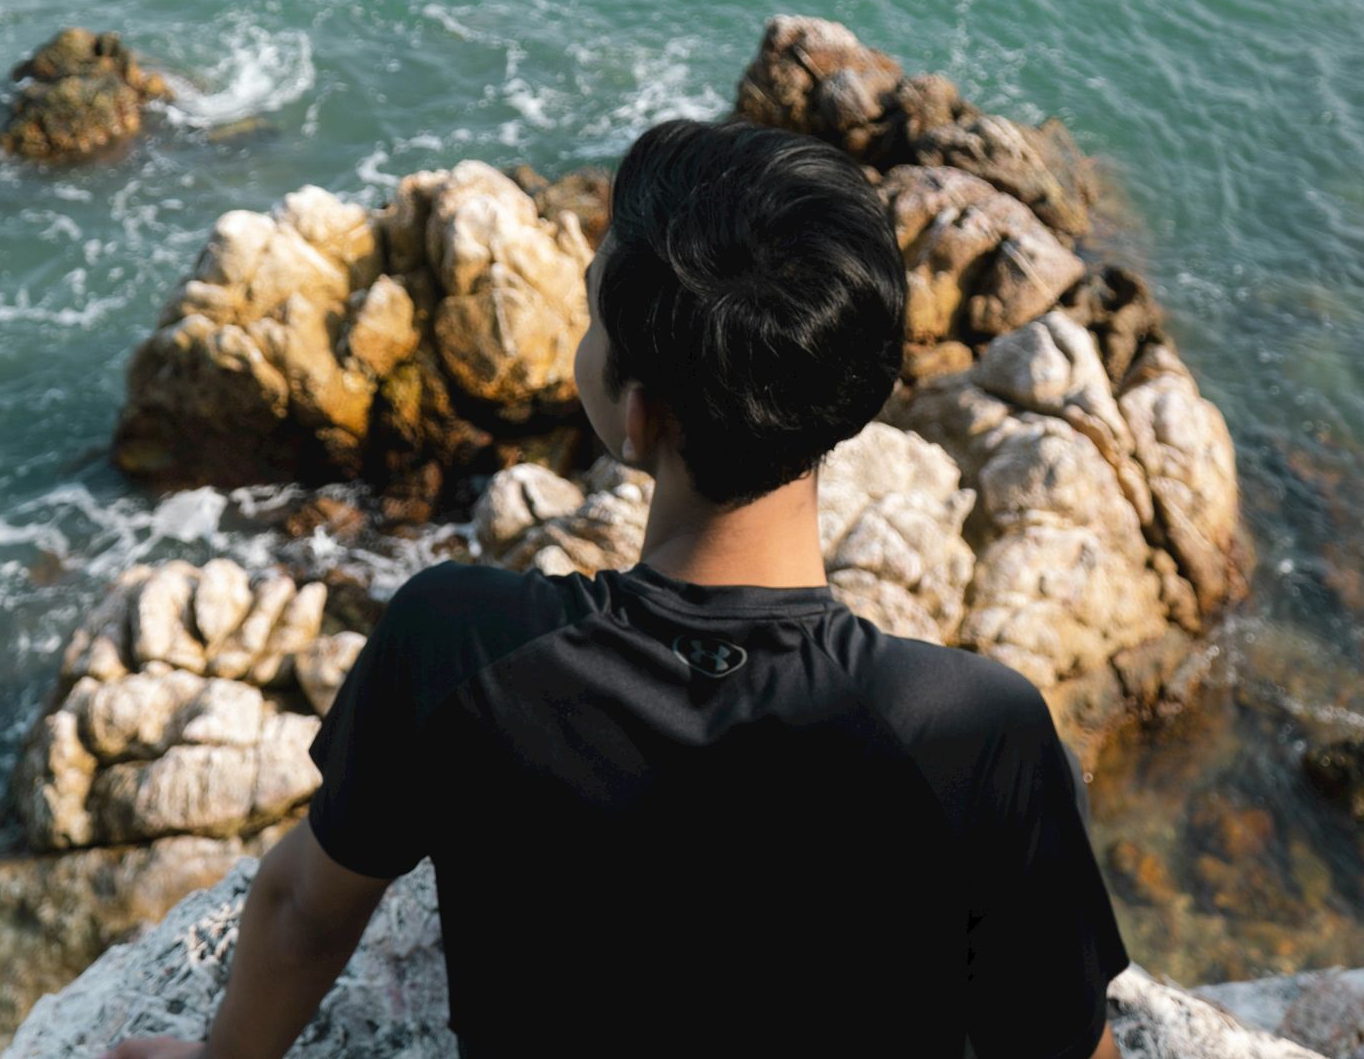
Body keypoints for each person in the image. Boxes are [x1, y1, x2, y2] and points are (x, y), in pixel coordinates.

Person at [103, 118, 1128, 1059]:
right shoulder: (975, 730)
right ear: (850, 392)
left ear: (637, 418)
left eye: (593, 315)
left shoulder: (460, 641)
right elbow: (1061, 1044)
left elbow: (303, 911)